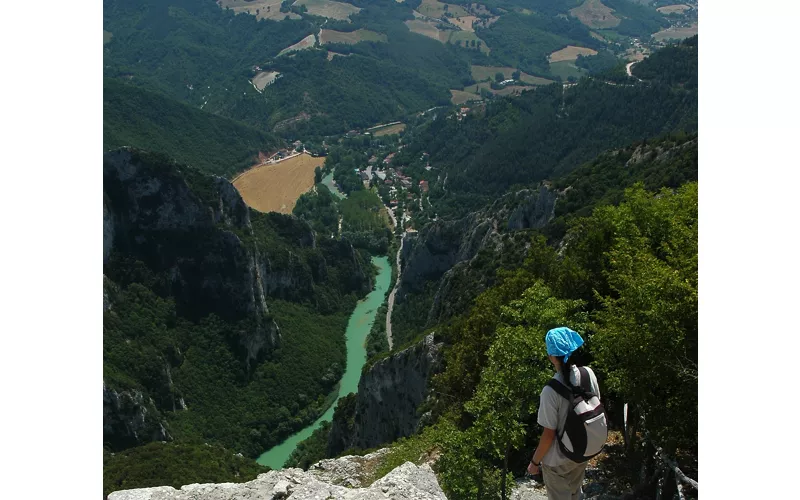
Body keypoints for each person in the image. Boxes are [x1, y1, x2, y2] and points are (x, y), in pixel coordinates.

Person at [526, 327, 601, 500]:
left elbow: (548, 434)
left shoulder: (550, 391)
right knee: (575, 493)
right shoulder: (588, 373)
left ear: (551, 357)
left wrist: (534, 463)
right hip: (583, 449)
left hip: (557, 461)